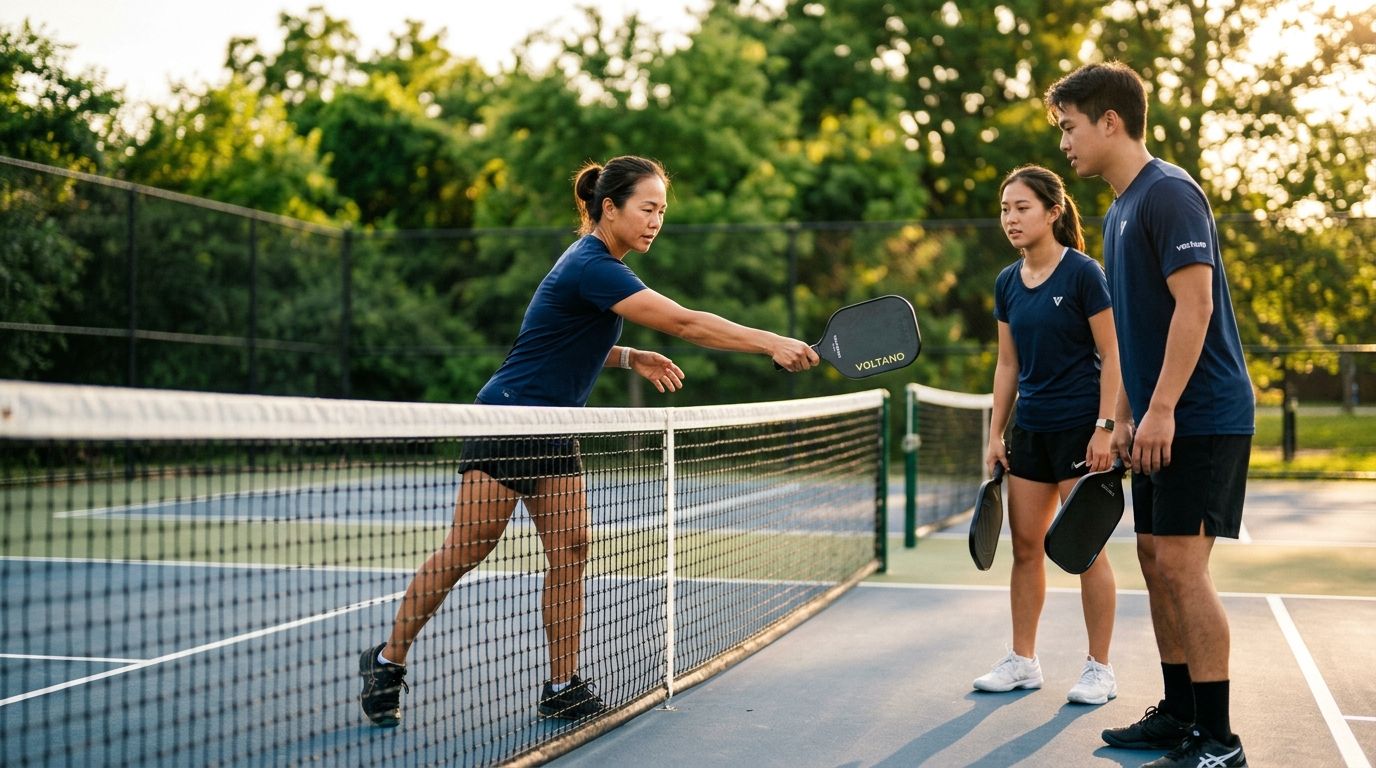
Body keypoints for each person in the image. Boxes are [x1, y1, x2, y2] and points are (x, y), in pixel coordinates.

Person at [357, 155, 820, 728]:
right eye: (647, 208)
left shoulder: (601, 266)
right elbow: (684, 322)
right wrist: (772, 341)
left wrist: (630, 355)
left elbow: (565, 336)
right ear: (610, 207)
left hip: (554, 428)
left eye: (662, 211)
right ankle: (386, 661)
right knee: (466, 551)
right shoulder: (593, 264)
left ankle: (561, 685)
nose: (656, 221)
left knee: (573, 549)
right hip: (508, 421)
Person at [1046, 62, 1255, 768]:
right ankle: (1179, 714)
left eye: (1070, 128)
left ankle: (1220, 741)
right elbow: (1140, 332)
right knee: (1152, 559)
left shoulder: (1168, 194)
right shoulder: (1120, 208)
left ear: (1110, 122)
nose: (1064, 144)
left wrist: (1162, 408)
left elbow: (1194, 307)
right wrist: (1125, 416)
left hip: (1206, 414)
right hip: (1160, 415)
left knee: (1182, 566)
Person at [974, 165, 1122, 706]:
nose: (1010, 219)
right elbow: (1007, 364)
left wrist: (1106, 427)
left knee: (1084, 550)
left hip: (1080, 433)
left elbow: (1114, 356)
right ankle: (1023, 662)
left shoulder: (1084, 274)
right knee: (1026, 549)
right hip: (1030, 432)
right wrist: (995, 433)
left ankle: (1099, 669)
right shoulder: (1007, 282)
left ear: (1053, 212)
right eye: (1005, 209)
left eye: (1022, 208)